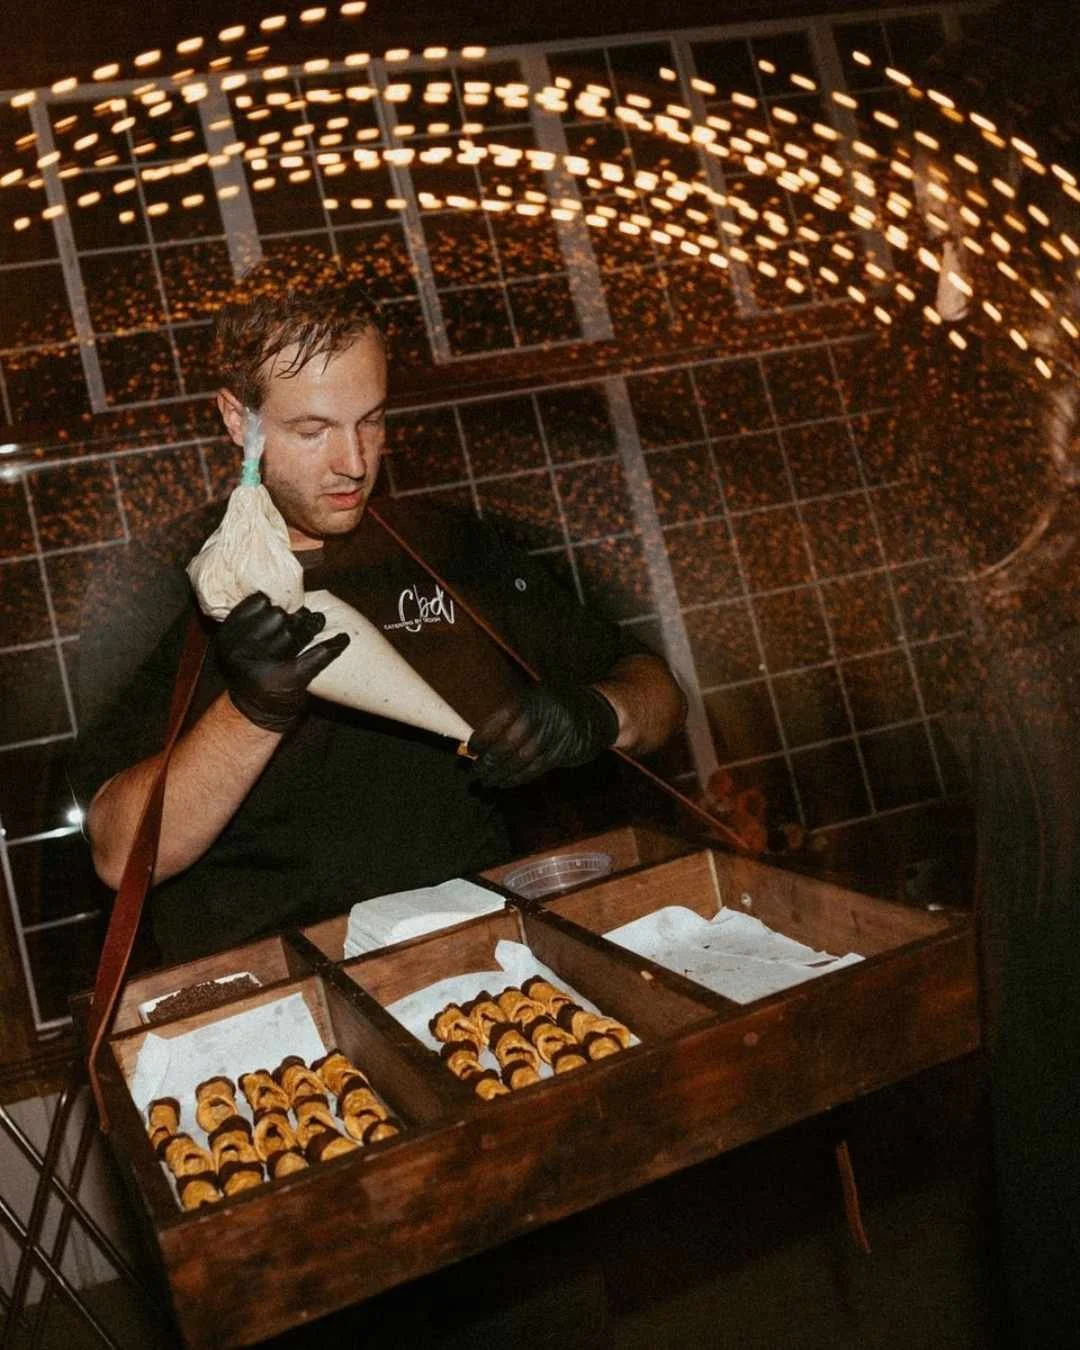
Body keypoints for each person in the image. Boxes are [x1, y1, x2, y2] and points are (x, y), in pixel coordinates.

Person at [70, 257, 686, 965]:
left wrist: (597, 714)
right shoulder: (158, 590)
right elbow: (120, 855)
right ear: (239, 419)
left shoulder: (448, 548)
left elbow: (661, 693)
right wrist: (254, 710)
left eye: (372, 420)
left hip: (478, 957)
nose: (355, 463)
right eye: (312, 430)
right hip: (283, 995)